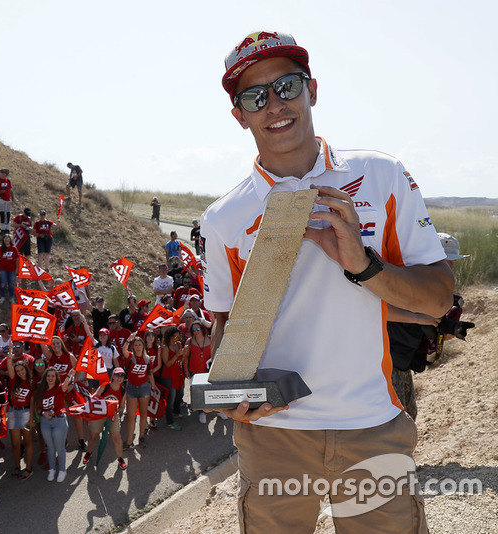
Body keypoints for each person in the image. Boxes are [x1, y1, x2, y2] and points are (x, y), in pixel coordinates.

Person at [202, 31, 453, 532]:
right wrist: (229, 397)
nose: (275, 104)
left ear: (312, 89)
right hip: (272, 435)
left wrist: (363, 264)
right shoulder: (223, 219)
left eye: (287, 86)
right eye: (256, 96)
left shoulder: (382, 176)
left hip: (371, 424)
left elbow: (439, 298)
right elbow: (225, 333)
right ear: (240, 116)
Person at [387, 232, 472, 420]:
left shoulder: (423, 282)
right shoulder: (407, 279)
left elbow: (430, 320)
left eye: (452, 262)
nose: (450, 266)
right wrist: (424, 321)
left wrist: (450, 328)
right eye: (447, 261)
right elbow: (389, 311)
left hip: (401, 361)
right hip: (388, 361)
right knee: (398, 422)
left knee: (409, 416)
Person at [82, 368, 126, 471]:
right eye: (117, 375)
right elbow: (94, 398)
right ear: (113, 376)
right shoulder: (105, 386)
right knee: (93, 436)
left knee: (117, 438)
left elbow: (122, 407)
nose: (119, 378)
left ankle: (120, 458)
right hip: (99, 415)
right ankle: (89, 452)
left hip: (112, 416)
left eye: (122, 376)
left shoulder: (123, 391)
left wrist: (117, 410)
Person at [37, 368, 75, 483]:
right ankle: (52, 469)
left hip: (59, 421)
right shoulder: (41, 390)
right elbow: (37, 407)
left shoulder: (59, 388)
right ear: (45, 377)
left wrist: (69, 375)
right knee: (50, 447)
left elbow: (65, 386)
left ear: (56, 377)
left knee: (60, 447)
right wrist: (43, 413)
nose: (50, 378)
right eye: (48, 375)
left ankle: (62, 470)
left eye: (53, 376)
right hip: (45, 422)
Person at [121, 335, 157, 448]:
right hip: (131, 388)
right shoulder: (130, 357)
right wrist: (128, 339)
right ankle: (129, 441)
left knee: (143, 414)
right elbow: (123, 350)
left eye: (140, 345)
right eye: (135, 345)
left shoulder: (148, 359)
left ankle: (141, 437)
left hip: (144, 388)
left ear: (143, 346)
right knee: (131, 417)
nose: (137, 347)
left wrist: (154, 387)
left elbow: (150, 374)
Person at [6, 360, 34, 480]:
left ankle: (28, 468)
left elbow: (32, 402)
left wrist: (31, 418)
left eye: (22, 369)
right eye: (17, 371)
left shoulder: (31, 383)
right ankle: (17, 467)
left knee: (27, 441)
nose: (20, 372)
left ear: (26, 369)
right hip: (13, 412)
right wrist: (10, 352)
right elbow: (9, 366)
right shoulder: (13, 381)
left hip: (26, 412)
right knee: (15, 443)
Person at [158, 327, 185, 431]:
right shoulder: (165, 347)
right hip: (168, 375)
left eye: (179, 336)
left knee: (180, 394)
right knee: (171, 399)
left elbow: (180, 360)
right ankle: (170, 421)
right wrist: (177, 354)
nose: (178, 338)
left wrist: (182, 354)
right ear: (170, 336)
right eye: (176, 336)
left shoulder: (177, 345)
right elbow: (167, 364)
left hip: (178, 373)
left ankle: (177, 412)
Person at [0, 234, 19, 304]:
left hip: (12, 269)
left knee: (11, 284)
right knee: (3, 283)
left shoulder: (14, 248)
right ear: (3, 240)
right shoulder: (0, 248)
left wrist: (17, 268)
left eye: (8, 238)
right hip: (2, 269)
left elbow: (17, 258)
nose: (6, 239)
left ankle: (12, 298)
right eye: (5, 238)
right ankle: (3, 297)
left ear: (10, 240)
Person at [0, 168, 15, 234]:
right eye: (2, 172)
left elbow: (10, 190)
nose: (3, 174)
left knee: (8, 213)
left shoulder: (8, 181)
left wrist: (12, 199)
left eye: (4, 173)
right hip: (0, 198)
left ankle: (7, 228)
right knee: (2, 213)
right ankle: (3, 228)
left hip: (7, 199)